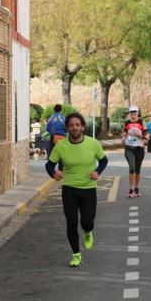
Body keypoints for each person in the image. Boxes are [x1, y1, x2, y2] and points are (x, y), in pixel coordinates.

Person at [45, 112, 108, 267]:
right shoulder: (61, 146)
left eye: (77, 125)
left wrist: (97, 172)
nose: (74, 128)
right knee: (71, 223)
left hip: (88, 189)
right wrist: (54, 174)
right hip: (69, 189)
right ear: (67, 128)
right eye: (71, 125)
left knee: (87, 222)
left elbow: (103, 160)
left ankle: (87, 232)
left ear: (83, 127)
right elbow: (49, 164)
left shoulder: (93, 143)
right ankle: (76, 254)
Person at [122, 105, 148, 198]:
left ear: (137, 114)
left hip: (139, 148)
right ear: (130, 114)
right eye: (131, 113)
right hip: (129, 148)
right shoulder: (127, 123)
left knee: (137, 170)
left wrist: (140, 136)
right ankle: (131, 188)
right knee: (132, 168)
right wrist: (123, 139)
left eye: (134, 113)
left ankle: (136, 187)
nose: (133, 115)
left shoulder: (141, 122)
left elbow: (147, 136)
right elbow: (125, 134)